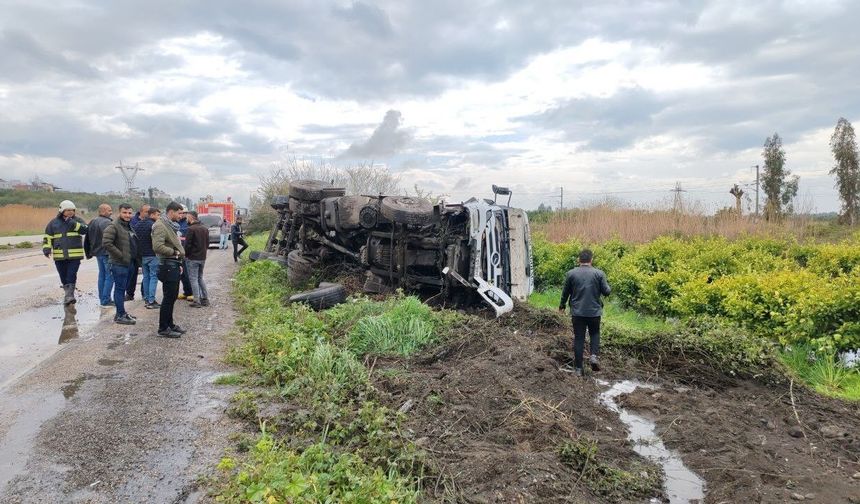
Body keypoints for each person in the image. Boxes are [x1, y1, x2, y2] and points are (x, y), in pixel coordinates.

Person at [559, 249, 611, 377]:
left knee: (579, 338)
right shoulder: (599, 274)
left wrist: (562, 306)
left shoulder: (571, 274)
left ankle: (578, 369)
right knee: (594, 333)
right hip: (594, 312)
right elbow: (607, 291)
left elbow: (565, 292)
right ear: (591, 260)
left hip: (577, 312)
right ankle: (593, 356)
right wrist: (608, 286)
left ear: (579, 260)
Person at [42, 200, 88, 305]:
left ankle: (69, 296)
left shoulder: (78, 220)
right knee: (63, 276)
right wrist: (46, 248)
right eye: (68, 210)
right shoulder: (53, 223)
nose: (71, 212)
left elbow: (85, 230)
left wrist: (73, 224)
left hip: (75, 256)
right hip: (59, 255)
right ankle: (68, 294)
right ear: (62, 210)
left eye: (72, 210)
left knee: (71, 274)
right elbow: (48, 237)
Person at [152, 201, 187, 338]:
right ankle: (163, 328)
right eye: (179, 213)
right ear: (171, 212)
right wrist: (175, 252)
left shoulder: (169, 225)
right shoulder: (160, 225)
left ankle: (170, 324)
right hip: (167, 266)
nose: (181, 216)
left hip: (172, 265)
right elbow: (157, 247)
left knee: (172, 297)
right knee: (168, 298)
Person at [102, 203, 139, 325]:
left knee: (123, 289)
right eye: (125, 212)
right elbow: (107, 243)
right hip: (119, 264)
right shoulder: (113, 226)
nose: (128, 215)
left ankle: (122, 312)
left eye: (129, 213)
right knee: (119, 289)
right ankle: (119, 315)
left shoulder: (128, 226)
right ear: (119, 213)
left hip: (130, 263)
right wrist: (121, 255)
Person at [84, 203, 114, 307]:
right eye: (109, 210)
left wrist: (88, 252)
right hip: (106, 253)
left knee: (102, 275)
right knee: (110, 276)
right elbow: (110, 239)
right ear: (103, 211)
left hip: (97, 253)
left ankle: (103, 298)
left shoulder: (93, 221)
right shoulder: (107, 222)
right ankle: (106, 299)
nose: (111, 212)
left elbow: (86, 238)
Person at [135, 207, 161, 309]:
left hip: (142, 255)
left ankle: (146, 298)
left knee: (146, 277)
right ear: (152, 215)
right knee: (153, 277)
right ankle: (151, 301)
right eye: (158, 215)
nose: (159, 217)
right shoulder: (153, 225)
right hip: (153, 255)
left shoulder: (137, 225)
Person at [184, 211, 210, 307]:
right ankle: (205, 299)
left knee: (193, 279)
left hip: (192, 258)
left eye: (187, 217)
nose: (186, 219)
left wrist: (186, 254)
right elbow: (207, 244)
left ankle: (196, 301)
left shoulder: (191, 229)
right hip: (202, 257)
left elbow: (187, 245)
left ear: (191, 218)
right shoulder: (204, 229)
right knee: (200, 278)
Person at [125, 203, 150, 301]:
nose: (148, 214)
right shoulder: (132, 221)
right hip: (134, 252)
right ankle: (130, 294)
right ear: (141, 212)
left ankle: (145, 293)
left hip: (146, 252)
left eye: (149, 212)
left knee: (146, 274)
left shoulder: (152, 222)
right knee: (132, 274)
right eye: (146, 212)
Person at [176, 206, 194, 301]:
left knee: (187, 273)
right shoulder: (175, 223)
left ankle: (191, 292)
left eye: (182, 213)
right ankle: (186, 292)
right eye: (179, 213)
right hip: (178, 252)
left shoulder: (187, 224)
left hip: (186, 252)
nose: (181, 215)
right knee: (182, 274)